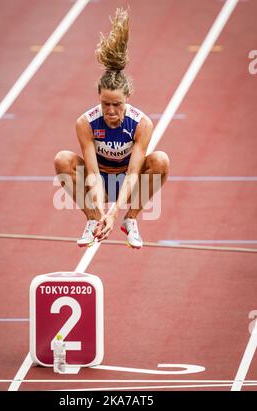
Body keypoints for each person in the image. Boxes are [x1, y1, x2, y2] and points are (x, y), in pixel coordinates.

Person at [54, 8, 169, 249]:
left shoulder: (141, 124)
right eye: (105, 104)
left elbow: (133, 174)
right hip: (101, 181)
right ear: (98, 99)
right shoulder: (86, 123)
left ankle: (131, 220)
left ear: (128, 98)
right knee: (62, 159)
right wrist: (102, 212)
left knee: (161, 160)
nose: (111, 111)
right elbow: (93, 174)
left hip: (127, 181)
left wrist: (116, 213)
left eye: (117, 104)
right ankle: (93, 220)